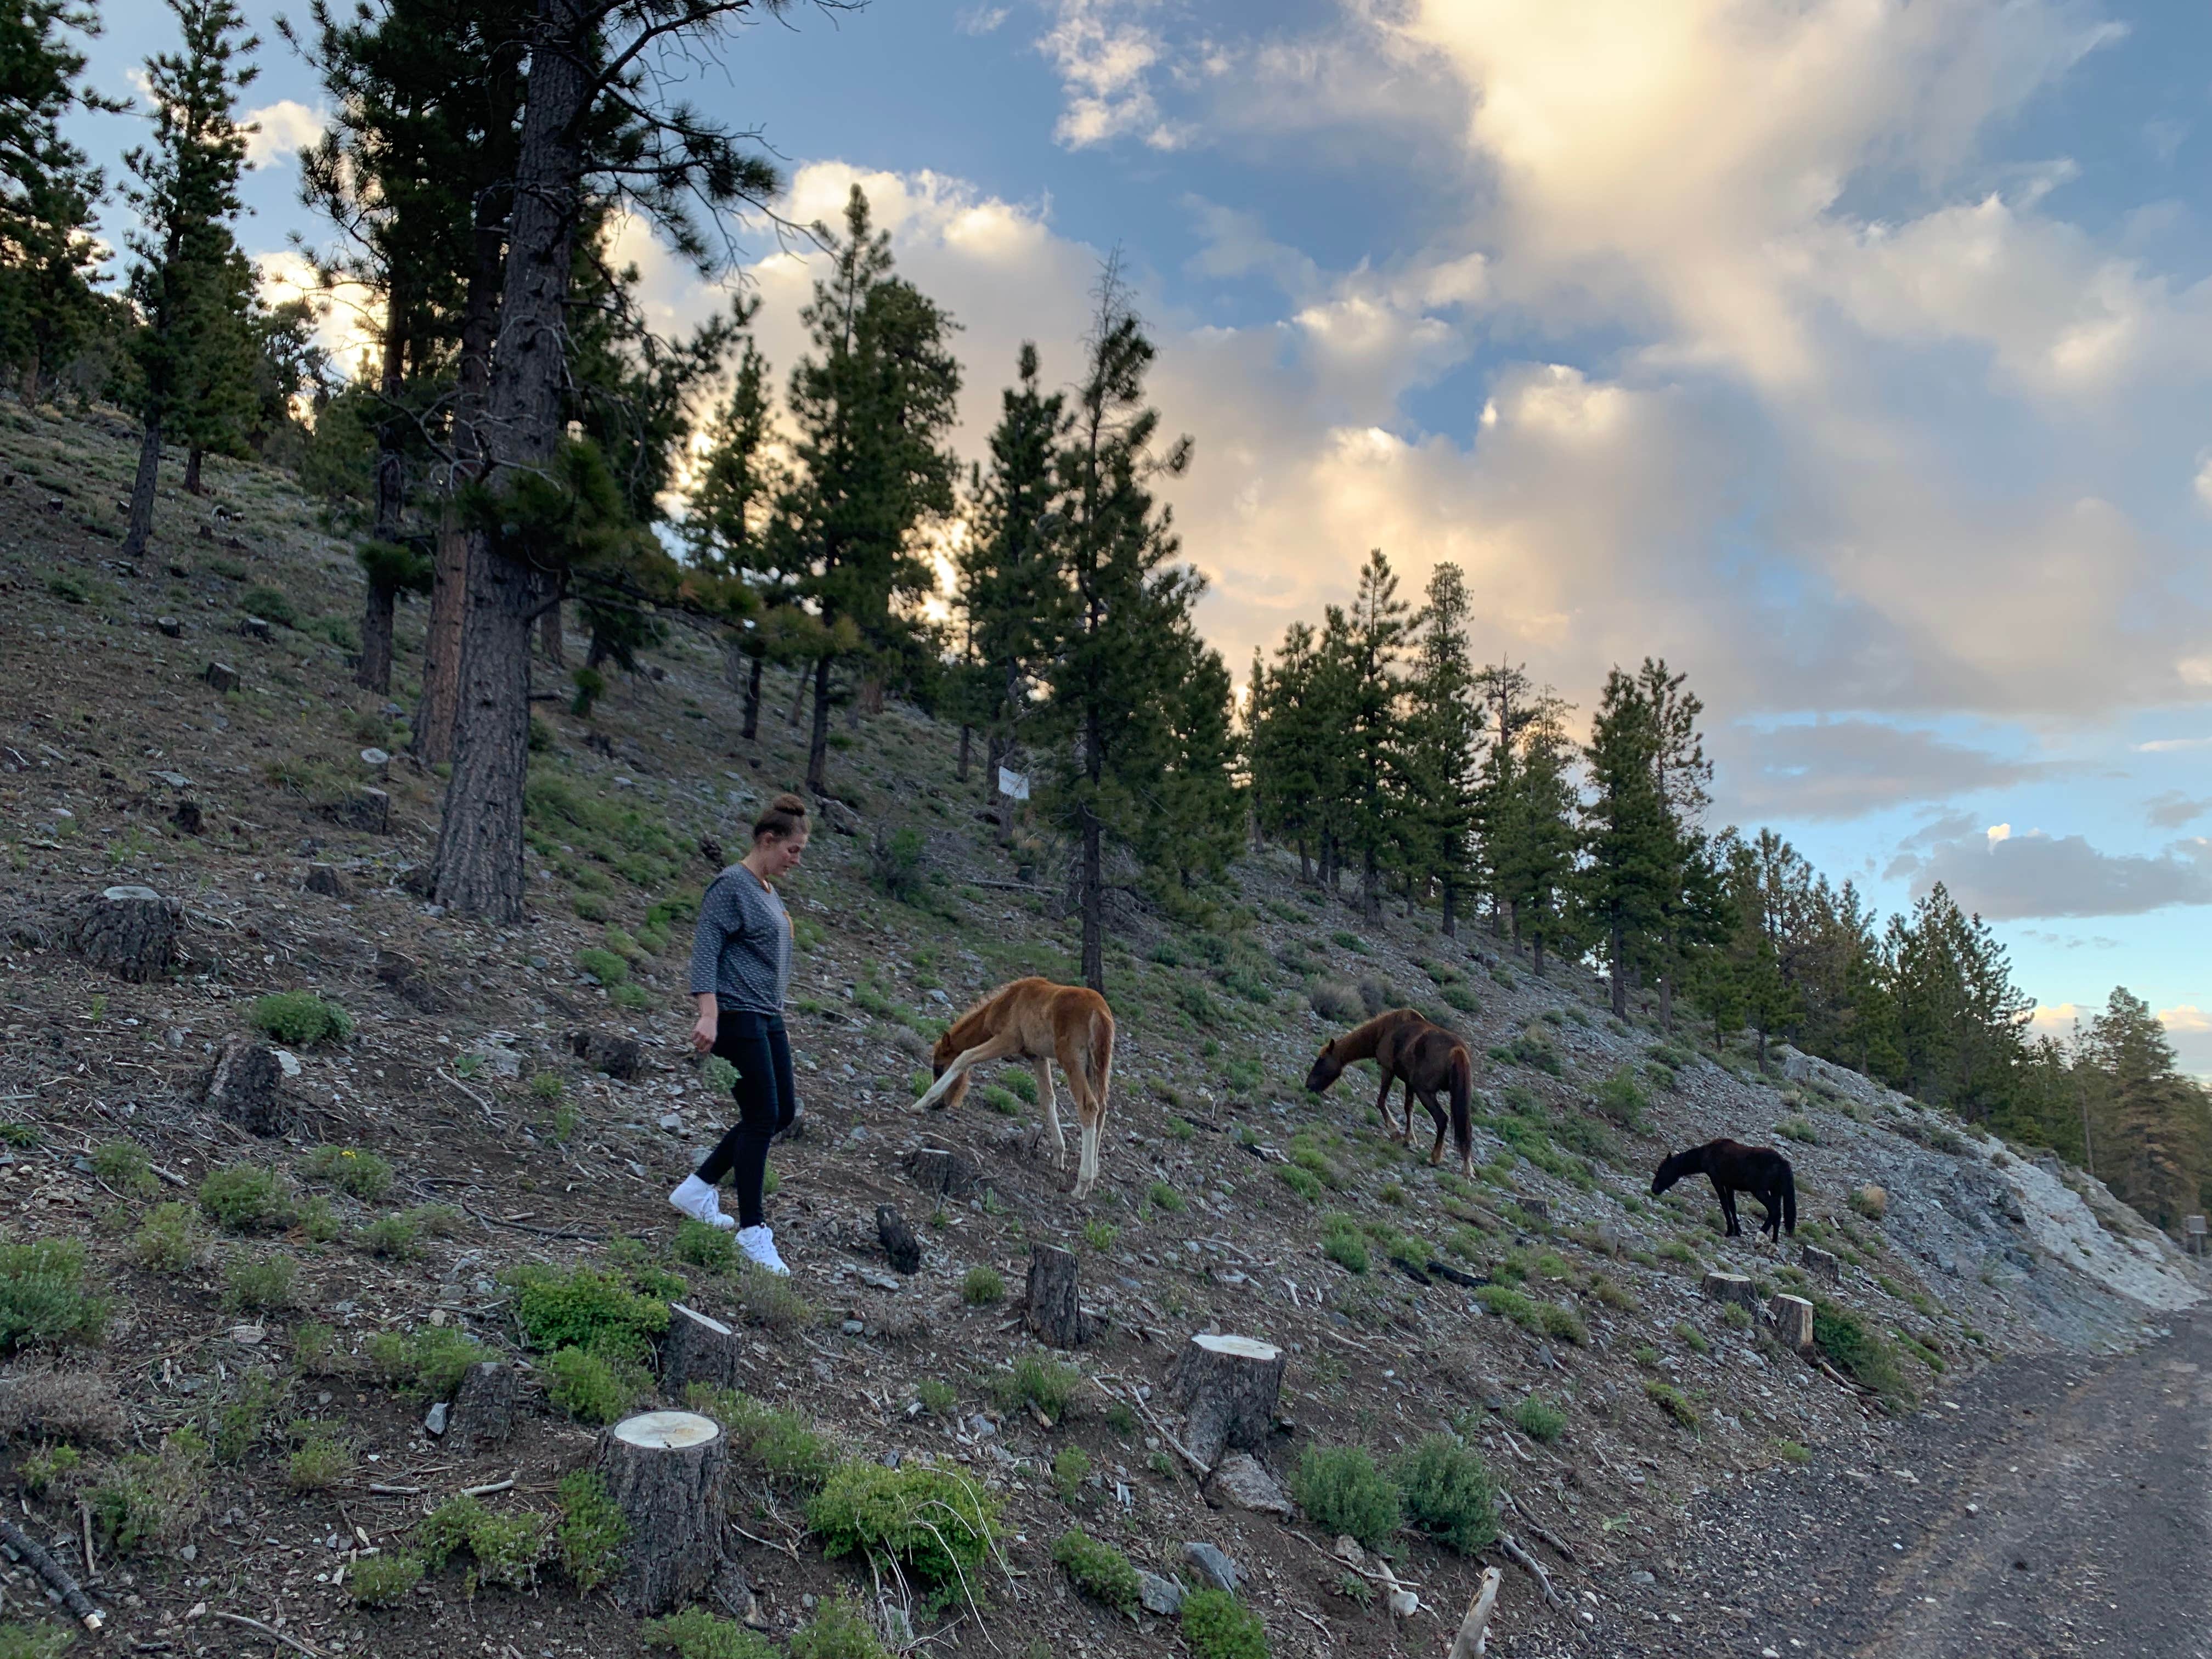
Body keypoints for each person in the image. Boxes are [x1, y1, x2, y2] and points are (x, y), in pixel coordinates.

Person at [670, 792, 808, 1275]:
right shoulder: (731, 885)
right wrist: (707, 1014)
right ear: (768, 840)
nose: (796, 861)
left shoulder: (769, 891)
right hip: (735, 1014)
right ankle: (753, 1231)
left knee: (780, 1112)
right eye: (792, 851)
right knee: (761, 1114)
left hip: (767, 1014)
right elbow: (705, 952)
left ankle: (697, 1188)